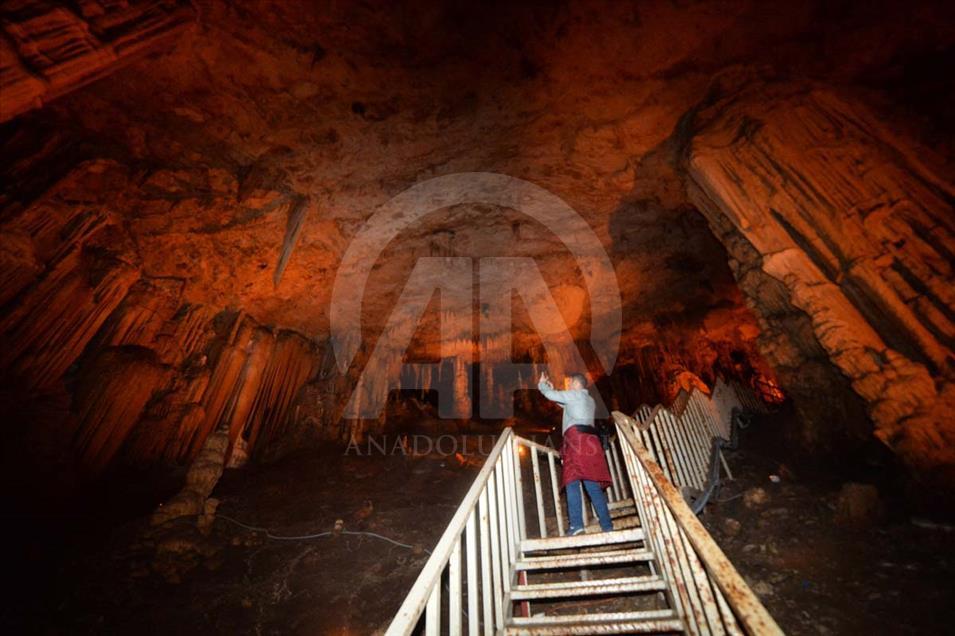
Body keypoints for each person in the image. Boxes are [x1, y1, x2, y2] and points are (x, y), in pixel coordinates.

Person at [537, 371, 614, 535]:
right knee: (592, 485)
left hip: (577, 441)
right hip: (591, 443)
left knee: (572, 481)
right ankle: (607, 525)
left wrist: (543, 385)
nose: (568, 385)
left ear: (576, 384)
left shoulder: (574, 395)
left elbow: (552, 396)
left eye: (570, 383)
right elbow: (565, 403)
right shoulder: (589, 400)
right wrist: (554, 390)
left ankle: (576, 525)